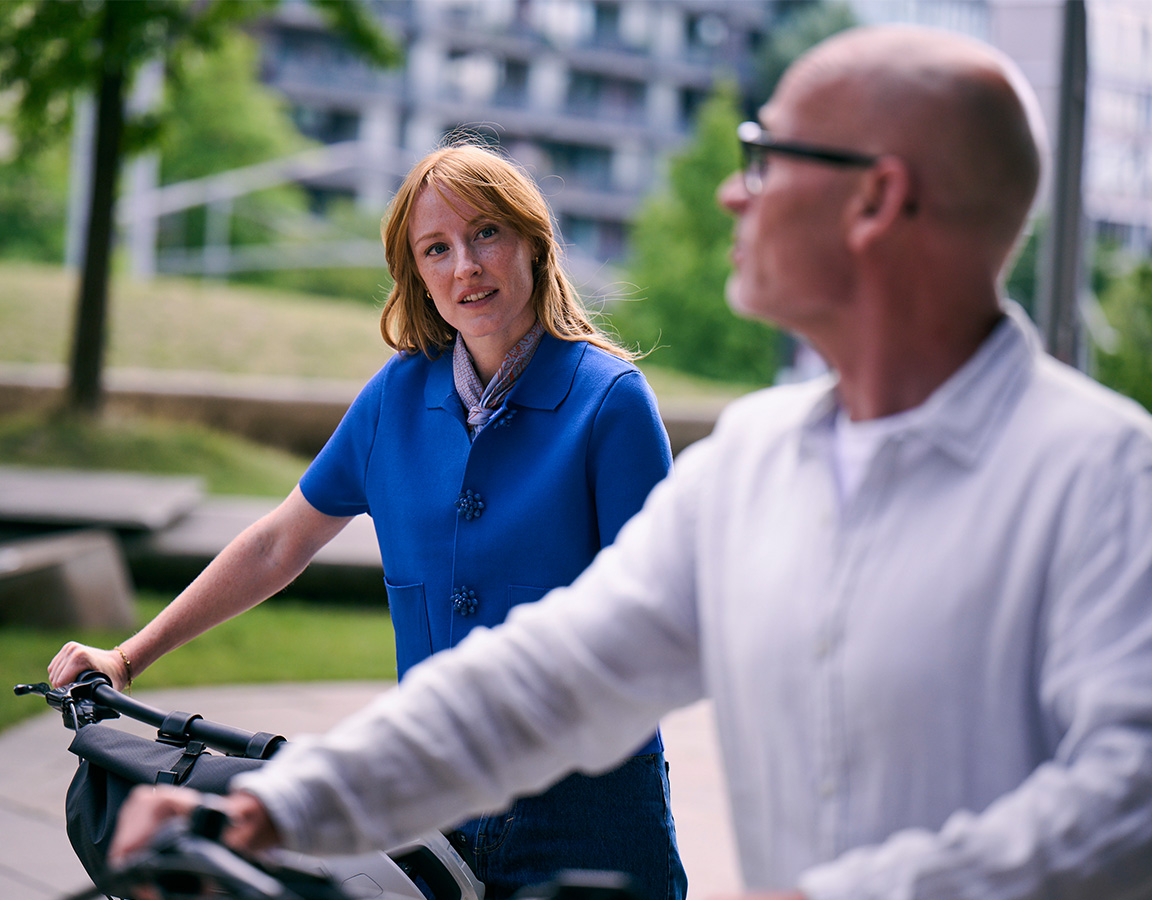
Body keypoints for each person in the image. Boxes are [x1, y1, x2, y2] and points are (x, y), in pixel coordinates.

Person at [110, 24, 1152, 900]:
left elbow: (1132, 797)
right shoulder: (750, 465)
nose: (732, 196)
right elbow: (548, 677)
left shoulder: (1106, 481)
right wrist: (272, 807)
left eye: (765, 158)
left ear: (875, 202)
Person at [49, 142, 687, 900]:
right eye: (436, 248)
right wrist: (128, 656)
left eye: (486, 233)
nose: (465, 266)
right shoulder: (395, 398)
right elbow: (278, 543)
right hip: (435, 797)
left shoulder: (611, 402)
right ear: (415, 273)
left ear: (533, 243)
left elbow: (654, 621)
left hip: (591, 807)